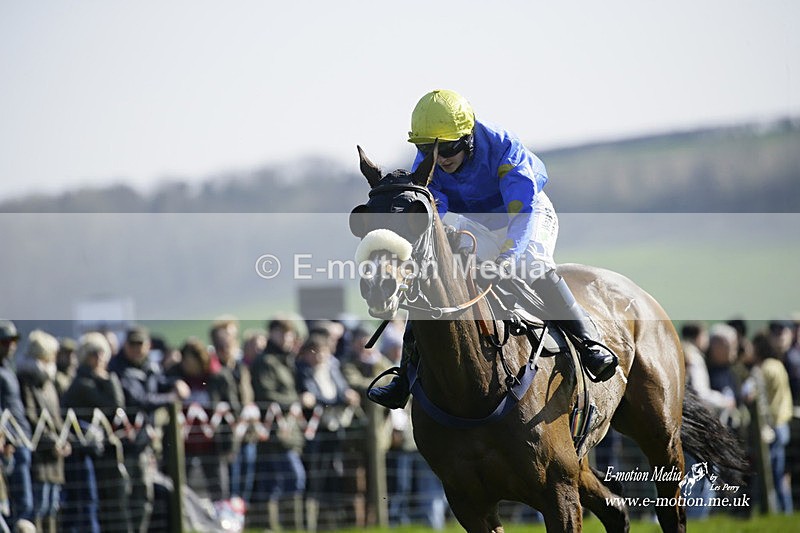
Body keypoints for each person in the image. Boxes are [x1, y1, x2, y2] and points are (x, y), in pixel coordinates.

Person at [368, 89, 617, 409]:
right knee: (435, 274)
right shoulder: (428, 162)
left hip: (525, 214)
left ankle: (588, 344)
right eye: (428, 149)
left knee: (530, 264)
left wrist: (507, 259)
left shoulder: (505, 150)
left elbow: (522, 215)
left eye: (449, 147)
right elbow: (434, 213)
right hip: (478, 221)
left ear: (468, 137)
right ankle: (405, 374)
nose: (440, 158)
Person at [108, 326, 190, 532]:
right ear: (125, 345)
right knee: (124, 497)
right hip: (124, 446)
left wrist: (176, 383)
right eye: (133, 344)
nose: (137, 348)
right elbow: (139, 399)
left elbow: (160, 383)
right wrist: (171, 397)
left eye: (141, 344)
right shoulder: (118, 369)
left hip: (144, 444)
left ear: (148, 346)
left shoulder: (149, 367)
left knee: (144, 496)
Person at [61, 332, 130, 533]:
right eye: (93, 353)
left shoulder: (90, 380)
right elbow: (114, 406)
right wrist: (109, 378)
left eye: (101, 352)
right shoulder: (83, 383)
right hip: (83, 450)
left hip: (95, 449)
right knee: (88, 499)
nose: (99, 358)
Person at [249, 318, 306, 531]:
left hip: (288, 432)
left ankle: (274, 528)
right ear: (271, 333)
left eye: (289, 334)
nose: (287, 338)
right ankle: (289, 528)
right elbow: (265, 394)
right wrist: (297, 401)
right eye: (282, 333)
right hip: (274, 432)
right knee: (294, 478)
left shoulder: (286, 360)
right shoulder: (265, 362)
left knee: (274, 483)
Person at [17, 330, 71, 533]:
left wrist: (64, 439)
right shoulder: (27, 382)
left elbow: (57, 418)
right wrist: (52, 442)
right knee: (39, 508)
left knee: (52, 508)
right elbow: (31, 416)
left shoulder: (49, 382)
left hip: (55, 459)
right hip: (40, 456)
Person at [0, 320, 34, 529]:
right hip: (9, 443)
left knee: (26, 503)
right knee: (18, 502)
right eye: (5, 342)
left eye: (13, 341)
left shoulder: (8, 369)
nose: (10, 346)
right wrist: (5, 438)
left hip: (22, 439)